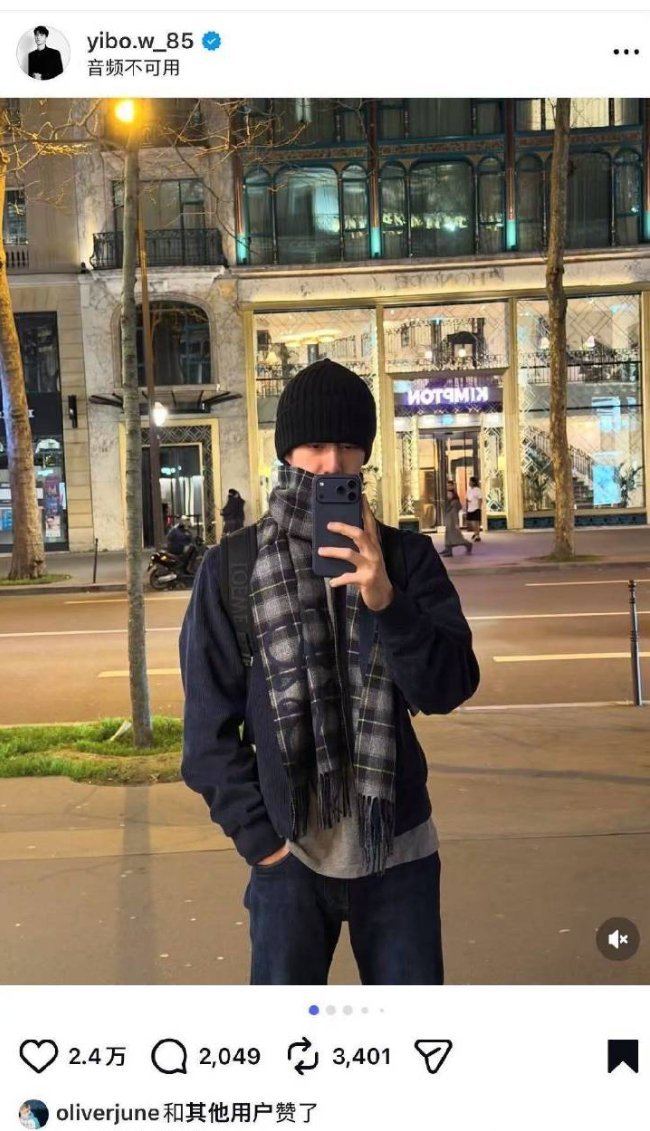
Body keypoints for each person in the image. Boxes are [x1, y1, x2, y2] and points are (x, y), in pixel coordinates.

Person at [180, 358, 479, 985]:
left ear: (365, 455)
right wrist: (263, 843)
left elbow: (448, 686)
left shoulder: (405, 556)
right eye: (315, 445)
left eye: (347, 446)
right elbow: (207, 733)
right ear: (288, 452)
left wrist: (386, 599)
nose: (331, 463)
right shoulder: (233, 568)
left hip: (398, 852)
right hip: (289, 859)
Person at [441, 484, 472, 557]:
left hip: (452, 523)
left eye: (449, 494)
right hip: (449, 522)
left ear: (453, 495)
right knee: (448, 537)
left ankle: (467, 544)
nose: (448, 495)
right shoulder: (449, 502)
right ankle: (447, 549)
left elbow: (455, 514)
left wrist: (456, 524)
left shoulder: (454, 503)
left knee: (455, 538)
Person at [465, 476, 483, 542]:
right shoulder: (468, 489)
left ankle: (478, 536)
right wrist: (467, 501)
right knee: (470, 522)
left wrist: (479, 508)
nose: (469, 482)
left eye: (470, 481)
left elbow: (480, 499)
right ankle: (475, 533)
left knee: (476, 523)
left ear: (473, 482)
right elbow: (466, 497)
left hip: (476, 508)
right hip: (470, 508)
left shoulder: (477, 490)